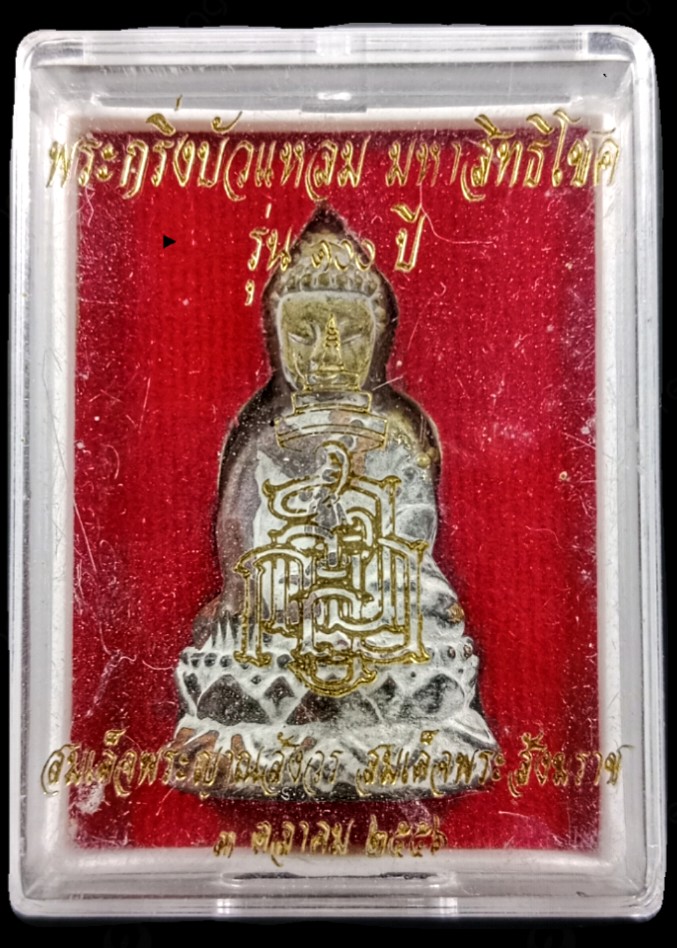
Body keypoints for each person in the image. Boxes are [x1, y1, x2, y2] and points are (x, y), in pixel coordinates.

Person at [173, 206, 495, 797]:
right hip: (284, 616)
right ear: (277, 339)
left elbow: (415, 533)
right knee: (231, 659)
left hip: (377, 617)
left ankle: (363, 736)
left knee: (431, 635)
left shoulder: (396, 437)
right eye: (304, 332)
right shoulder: (263, 439)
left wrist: (365, 551)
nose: (327, 352)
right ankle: (303, 738)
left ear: (376, 339)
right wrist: (262, 583)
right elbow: (239, 533)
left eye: (348, 333)